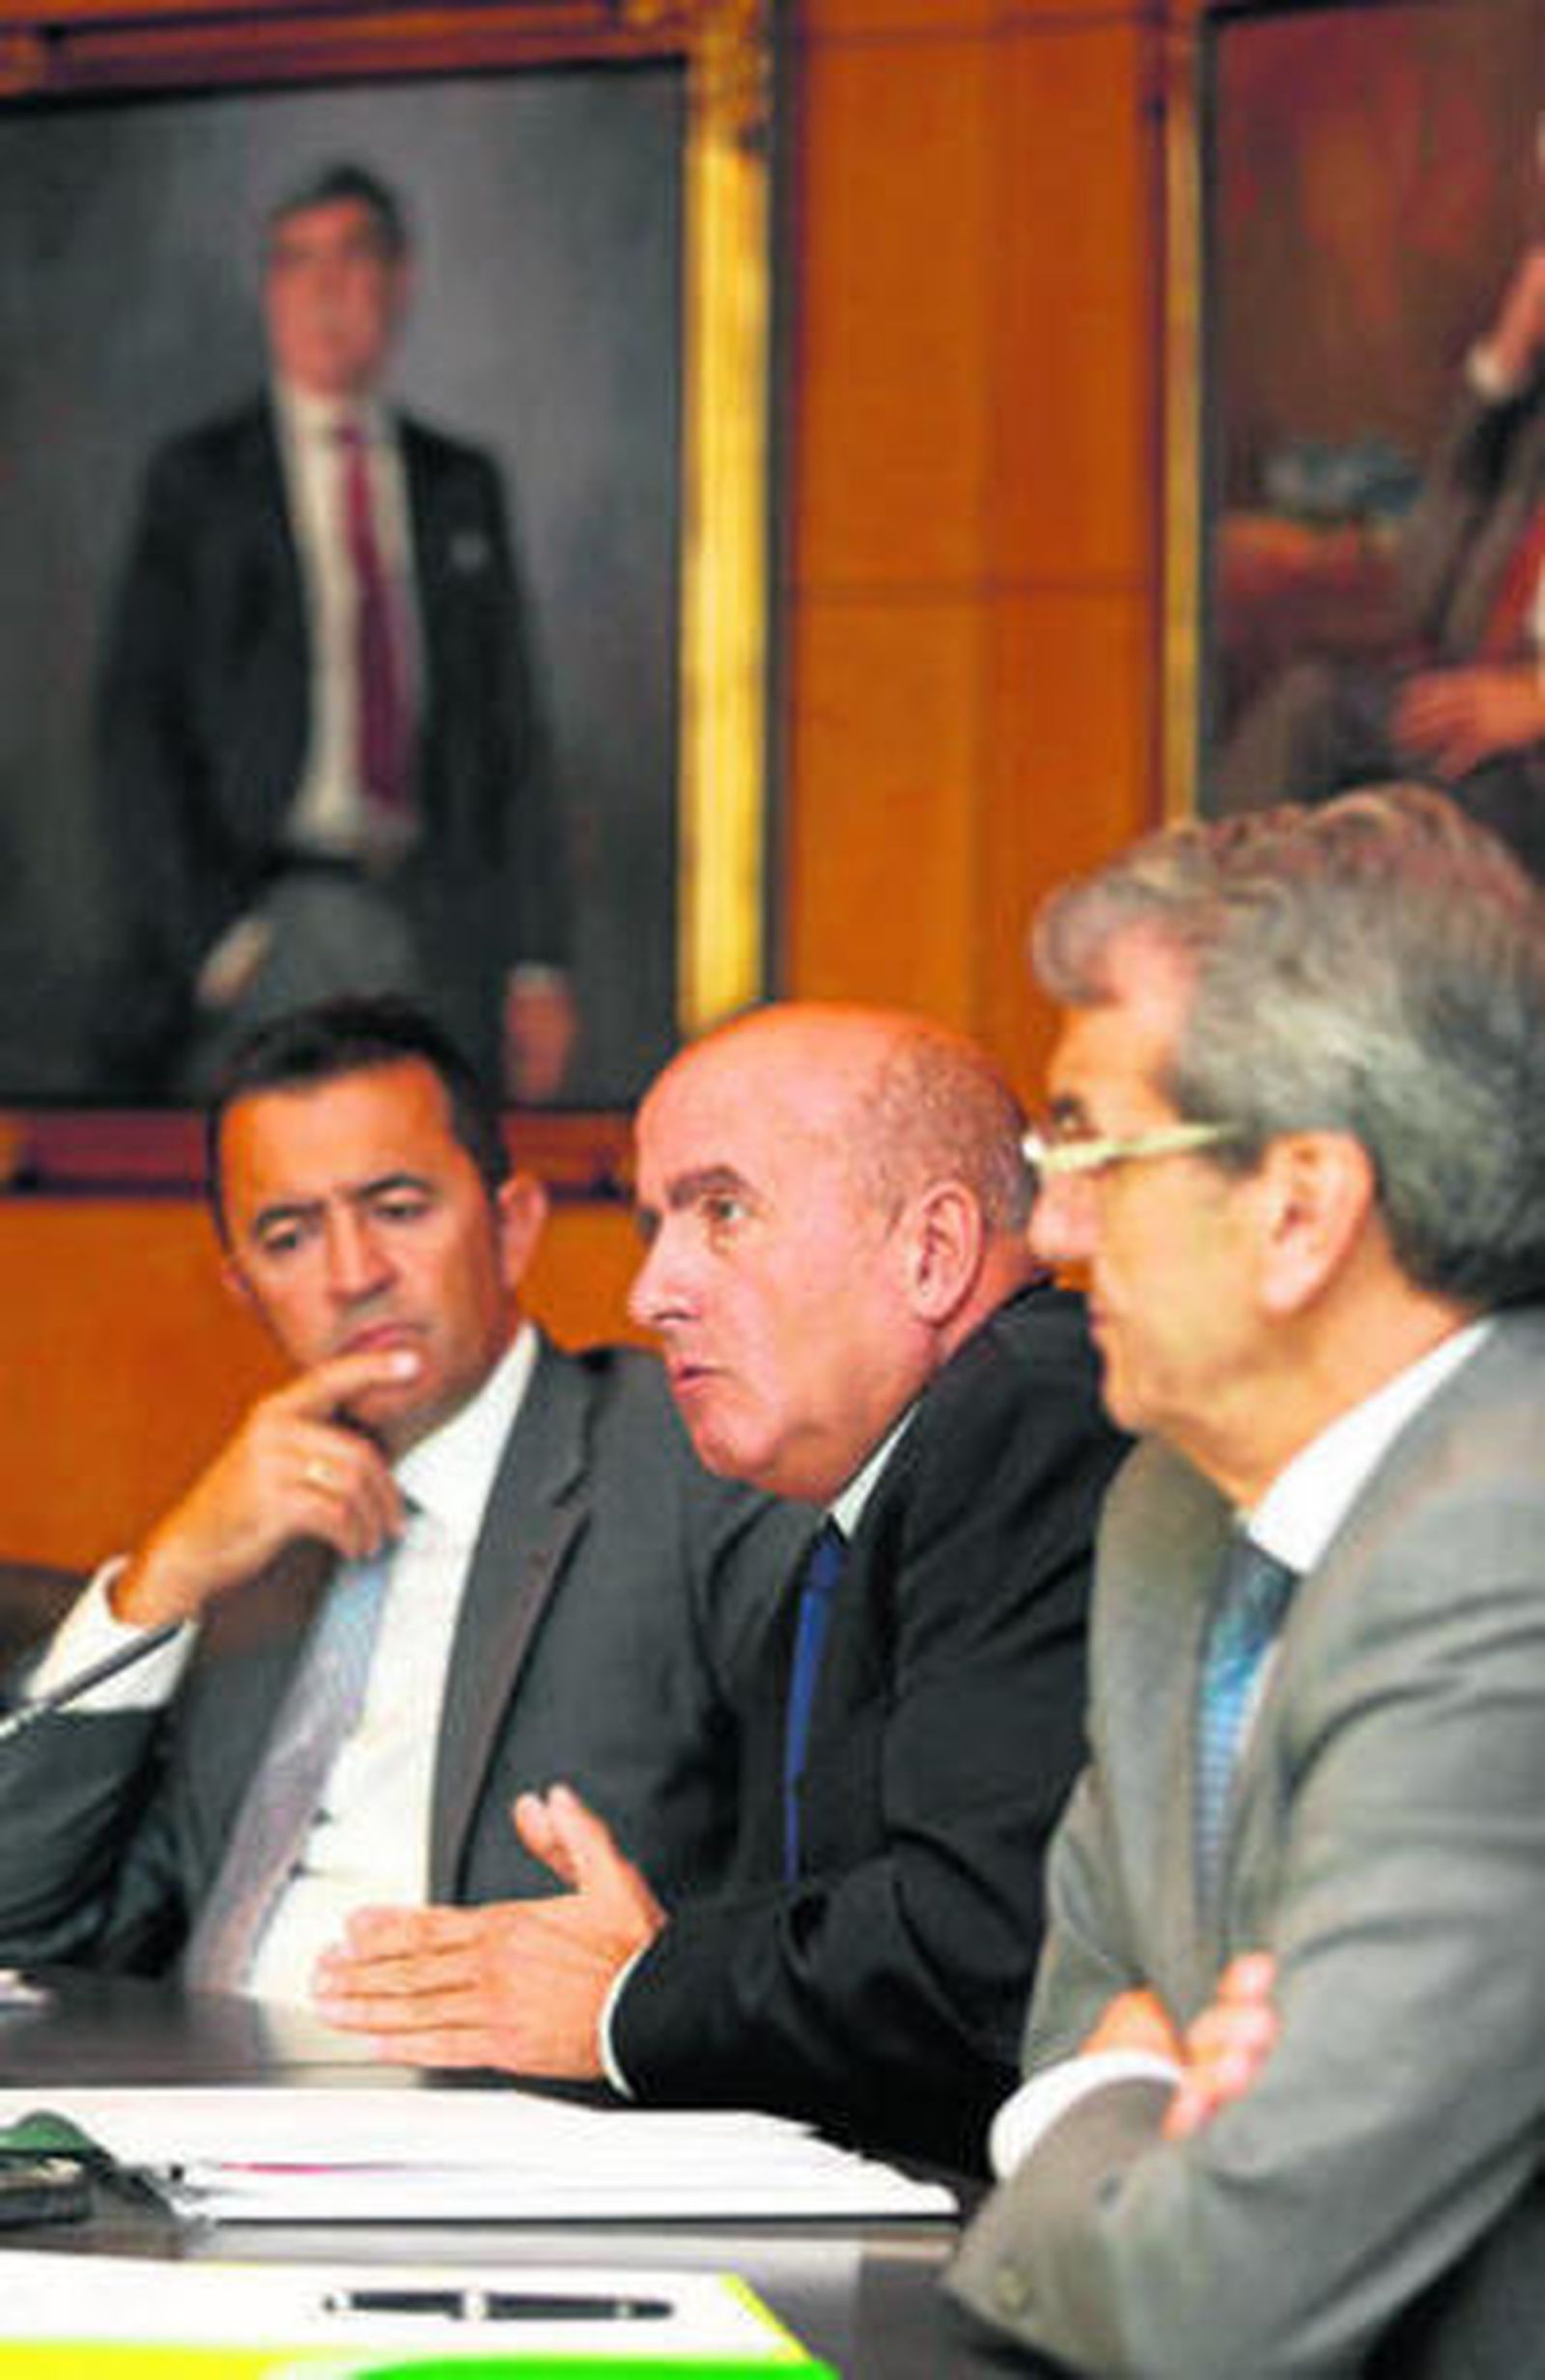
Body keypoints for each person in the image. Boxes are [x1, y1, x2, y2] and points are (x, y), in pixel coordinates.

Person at [312, 1002, 1128, 2173]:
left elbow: (981, 1948)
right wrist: (647, 1970)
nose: (652, 1293)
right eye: (656, 1224)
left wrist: (632, 1997)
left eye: (723, 1212)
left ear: (933, 1250)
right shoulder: (857, 1511)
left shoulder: (1024, 1413)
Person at [946, 786, 1545, 2375]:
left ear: (1298, 1207)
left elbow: (1222, 2287)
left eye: (1090, 1143)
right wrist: (1131, 2083)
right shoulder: (1173, 1508)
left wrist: (1094, 2107)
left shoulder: (1510, 1549)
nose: (1054, 1227)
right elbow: (1083, 1984)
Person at [0, 995, 807, 1991]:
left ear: (512, 1226)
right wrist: (162, 1580)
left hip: (497, 2115)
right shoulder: (251, 1544)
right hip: (199, 2108)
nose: (353, 1274)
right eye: (290, 1235)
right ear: (246, 1288)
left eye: (397, 1209)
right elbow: (19, 1915)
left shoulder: (691, 1463)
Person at [92, 159, 576, 1100]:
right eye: (295, 264)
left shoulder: (457, 482)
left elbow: (512, 735)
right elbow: (134, 731)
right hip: (270, 912)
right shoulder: (199, 482)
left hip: (434, 913)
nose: (323, 295)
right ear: (269, 291)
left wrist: (535, 963)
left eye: (351, 262)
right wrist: (217, 942)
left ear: (400, 282)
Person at [1217, 241, 1545, 882]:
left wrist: (1537, 703)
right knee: (1316, 731)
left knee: (1315, 719)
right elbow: (1425, 580)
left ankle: (1216, 939)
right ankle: (1223, 928)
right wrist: (1505, 361)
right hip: (1482, 725)